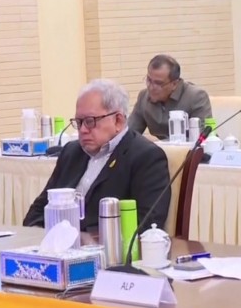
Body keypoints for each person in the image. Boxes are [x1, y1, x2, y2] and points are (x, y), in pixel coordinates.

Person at [23, 79, 171, 230]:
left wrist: (83, 239)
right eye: (79, 122)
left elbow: (147, 224)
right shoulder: (71, 153)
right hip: (57, 242)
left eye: (90, 121)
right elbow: (36, 213)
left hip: (107, 243)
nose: (82, 130)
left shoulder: (146, 157)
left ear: (118, 121)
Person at [127, 54, 212, 140]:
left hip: (193, 147)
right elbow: (128, 134)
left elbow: (202, 137)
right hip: (160, 147)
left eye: (158, 83)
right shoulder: (143, 97)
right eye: (149, 80)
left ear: (174, 84)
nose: (151, 87)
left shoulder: (196, 96)